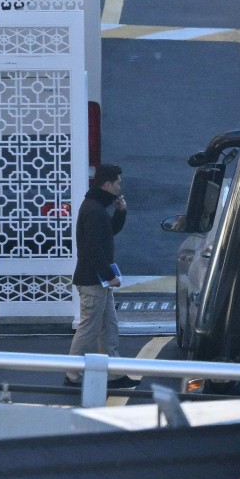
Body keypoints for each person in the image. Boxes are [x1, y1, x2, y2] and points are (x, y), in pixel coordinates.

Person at [64, 164, 140, 389]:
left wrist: (120, 212)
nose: (119, 185)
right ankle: (72, 375)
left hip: (97, 280)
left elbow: (108, 232)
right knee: (89, 328)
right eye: (117, 182)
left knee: (109, 327)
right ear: (107, 184)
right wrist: (109, 275)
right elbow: (93, 249)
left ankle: (113, 374)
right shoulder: (94, 209)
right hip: (93, 280)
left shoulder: (96, 206)